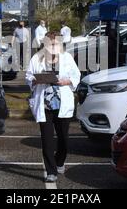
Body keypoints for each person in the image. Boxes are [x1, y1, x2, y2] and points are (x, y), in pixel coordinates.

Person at [25, 32, 81, 183]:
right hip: (45, 105)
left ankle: (60, 161)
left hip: (62, 103)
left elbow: (76, 76)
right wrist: (35, 81)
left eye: (56, 44)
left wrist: (67, 81)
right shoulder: (36, 58)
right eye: (50, 44)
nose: (53, 46)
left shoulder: (67, 58)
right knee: (47, 140)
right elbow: (28, 76)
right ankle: (51, 171)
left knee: (64, 139)